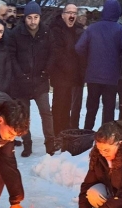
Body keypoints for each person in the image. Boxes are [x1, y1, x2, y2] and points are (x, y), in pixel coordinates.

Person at [75, 0, 122, 130]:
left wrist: (89, 58)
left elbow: (79, 47)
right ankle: (106, 137)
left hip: (93, 75)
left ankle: (87, 134)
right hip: (111, 77)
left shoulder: (92, 28)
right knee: (108, 109)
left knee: (91, 108)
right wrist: (119, 54)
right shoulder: (120, 29)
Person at [6, 1, 55, 157]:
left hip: (40, 80)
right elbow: (11, 56)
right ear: (24, 18)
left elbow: (53, 53)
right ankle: (27, 144)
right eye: (29, 18)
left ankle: (50, 144)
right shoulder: (16, 33)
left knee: (46, 113)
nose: (33, 21)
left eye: (36, 17)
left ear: (40, 17)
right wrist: (20, 75)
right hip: (22, 82)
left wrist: (46, 72)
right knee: (24, 116)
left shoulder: (46, 32)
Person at [49, 3, 85, 138]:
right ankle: (57, 133)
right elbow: (57, 52)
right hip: (60, 74)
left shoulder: (76, 30)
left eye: (74, 13)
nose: (72, 15)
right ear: (63, 15)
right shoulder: (56, 29)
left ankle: (65, 131)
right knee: (59, 105)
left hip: (71, 75)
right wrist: (70, 68)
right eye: (69, 13)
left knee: (67, 105)